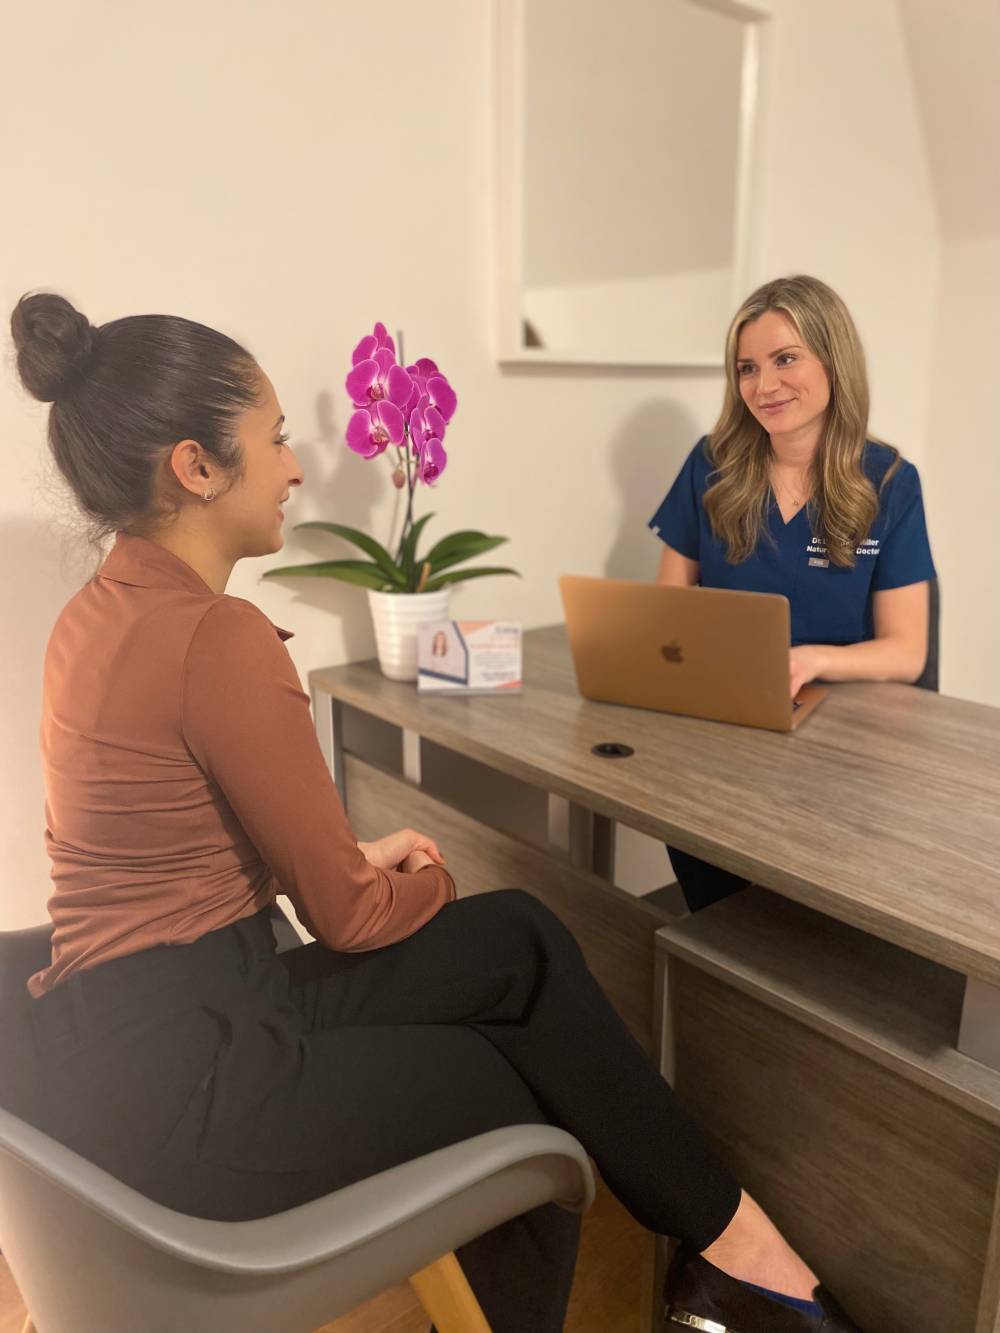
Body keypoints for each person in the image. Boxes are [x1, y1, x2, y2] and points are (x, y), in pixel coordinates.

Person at [7, 291, 867, 1332]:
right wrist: (418, 875)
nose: (295, 467)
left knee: (518, 936)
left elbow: (184, 845)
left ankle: (730, 1243)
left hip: (136, 1037)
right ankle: (739, 1258)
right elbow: (352, 918)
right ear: (196, 466)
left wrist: (357, 863)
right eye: (273, 441)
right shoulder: (215, 636)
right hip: (201, 1083)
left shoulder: (95, 617)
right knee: (522, 1100)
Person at [650, 275, 935, 914]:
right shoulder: (711, 465)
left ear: (832, 360)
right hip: (729, 728)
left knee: (806, 917)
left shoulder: (888, 481)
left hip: (842, 745)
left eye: (786, 359)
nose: (765, 386)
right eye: (748, 368)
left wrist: (810, 660)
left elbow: (906, 651)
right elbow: (665, 613)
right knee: (719, 894)